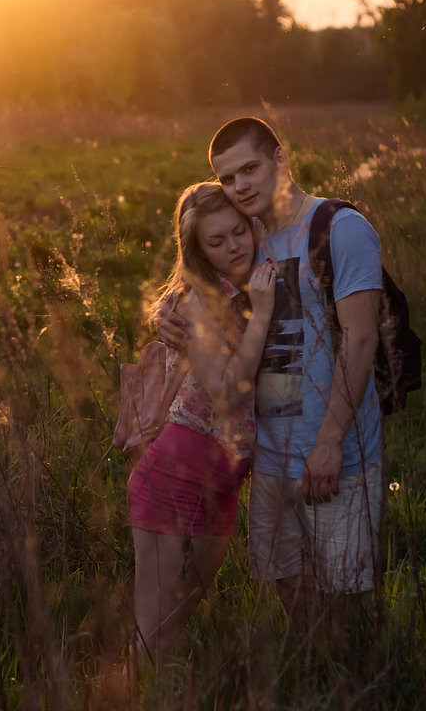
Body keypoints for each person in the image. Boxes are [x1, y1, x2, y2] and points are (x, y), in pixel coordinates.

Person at [158, 117, 385, 636]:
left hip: (336, 456)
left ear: (281, 160)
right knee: (297, 607)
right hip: (268, 462)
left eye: (250, 170)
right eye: (228, 178)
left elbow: (362, 339)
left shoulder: (339, 229)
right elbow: (193, 278)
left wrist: (329, 443)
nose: (240, 187)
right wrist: (164, 312)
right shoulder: (248, 237)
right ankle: (315, 685)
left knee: (347, 607)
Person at [126, 181, 276, 667]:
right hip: (174, 479)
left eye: (239, 232)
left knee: (179, 623)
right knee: (155, 637)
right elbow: (229, 396)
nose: (234, 246)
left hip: (222, 484)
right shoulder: (199, 303)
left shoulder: (243, 291)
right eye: (217, 241)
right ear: (198, 252)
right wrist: (264, 314)